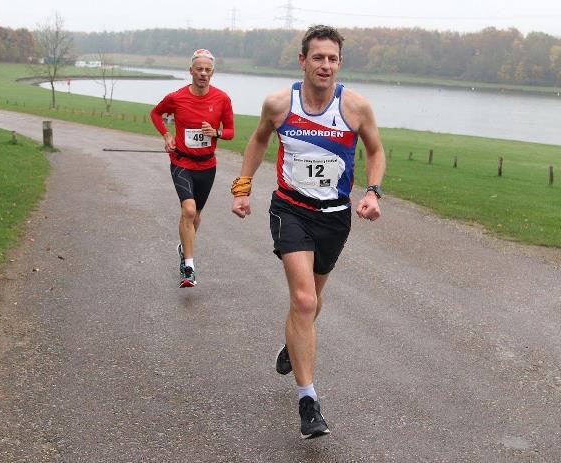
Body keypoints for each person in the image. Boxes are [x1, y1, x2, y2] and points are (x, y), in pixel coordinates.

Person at [231, 25, 385, 439]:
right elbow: (258, 140)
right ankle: (308, 401)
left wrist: (372, 191)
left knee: (311, 302)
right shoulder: (280, 104)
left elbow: (375, 150)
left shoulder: (355, 107)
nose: (325, 65)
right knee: (303, 300)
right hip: (291, 210)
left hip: (334, 216)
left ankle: (292, 344)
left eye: (332, 58)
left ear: (340, 63)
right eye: (318, 57)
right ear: (303, 60)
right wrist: (242, 187)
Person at [151, 48, 234, 287]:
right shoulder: (177, 97)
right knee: (188, 210)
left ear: (212, 73)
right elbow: (156, 113)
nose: (203, 73)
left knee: (196, 215)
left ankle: (183, 247)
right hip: (181, 161)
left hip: (207, 165)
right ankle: (188, 268)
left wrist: (216, 132)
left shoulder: (222, 99)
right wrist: (167, 135)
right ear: (191, 71)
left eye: (207, 70)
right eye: (199, 69)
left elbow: (230, 131)